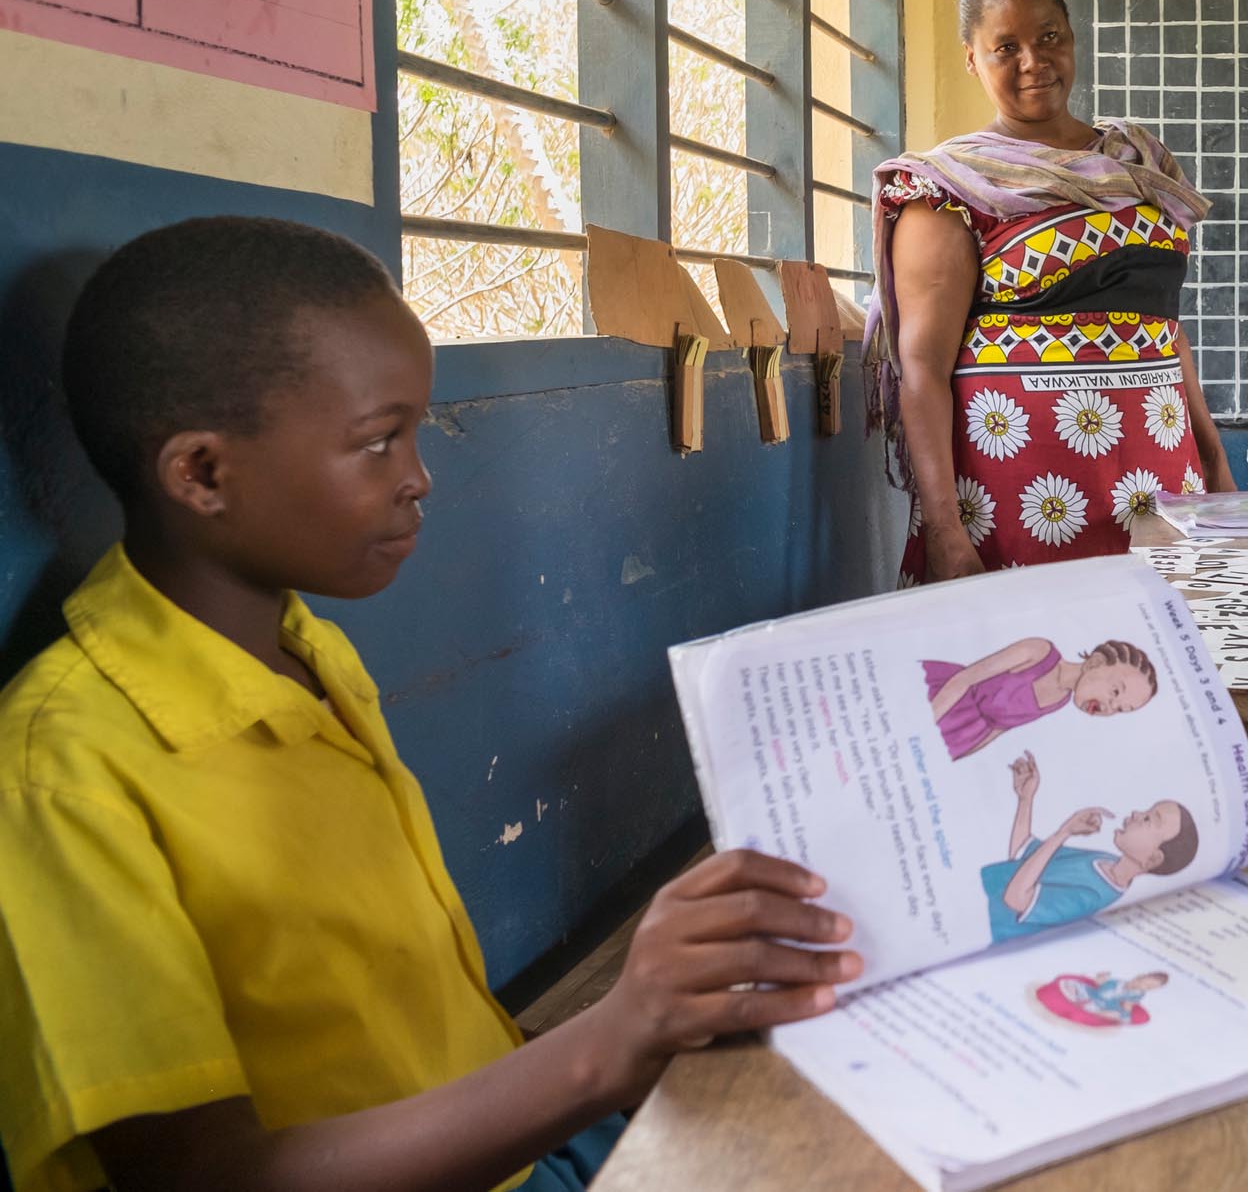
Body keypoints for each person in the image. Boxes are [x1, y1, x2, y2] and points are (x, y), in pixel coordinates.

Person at [0, 218, 863, 1192]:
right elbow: (205, 1177)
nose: (418, 478)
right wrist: (607, 1045)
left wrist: (649, 1028)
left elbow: (426, 1034)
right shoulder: (64, 773)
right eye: (378, 442)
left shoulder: (300, 651)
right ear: (201, 473)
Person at [864, 0, 1236, 586]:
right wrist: (947, 533)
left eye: (1048, 38)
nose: (1033, 62)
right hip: (1021, 504)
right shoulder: (951, 187)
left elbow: (1165, 330)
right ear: (972, 59)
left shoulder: (1138, 163)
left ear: (1071, 36)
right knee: (1031, 669)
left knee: (1152, 670)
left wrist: (1216, 466)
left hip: (1160, 485)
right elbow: (921, 368)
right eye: (1005, 47)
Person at [979, 751, 1196, 943]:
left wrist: (1064, 833)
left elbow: (1015, 898)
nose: (1136, 814)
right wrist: (1026, 799)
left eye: (1148, 819)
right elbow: (1022, 855)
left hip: (976, 921)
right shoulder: (1104, 860)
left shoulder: (1094, 895)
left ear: (1152, 859)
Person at [924, 636, 1158, 760]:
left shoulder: (1061, 701)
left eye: (1119, 709)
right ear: (1096, 663)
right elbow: (965, 679)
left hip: (960, 736)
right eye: (1115, 692)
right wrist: (926, 722)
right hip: (941, 701)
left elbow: (995, 730)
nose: (1109, 707)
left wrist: (954, 756)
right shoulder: (1040, 651)